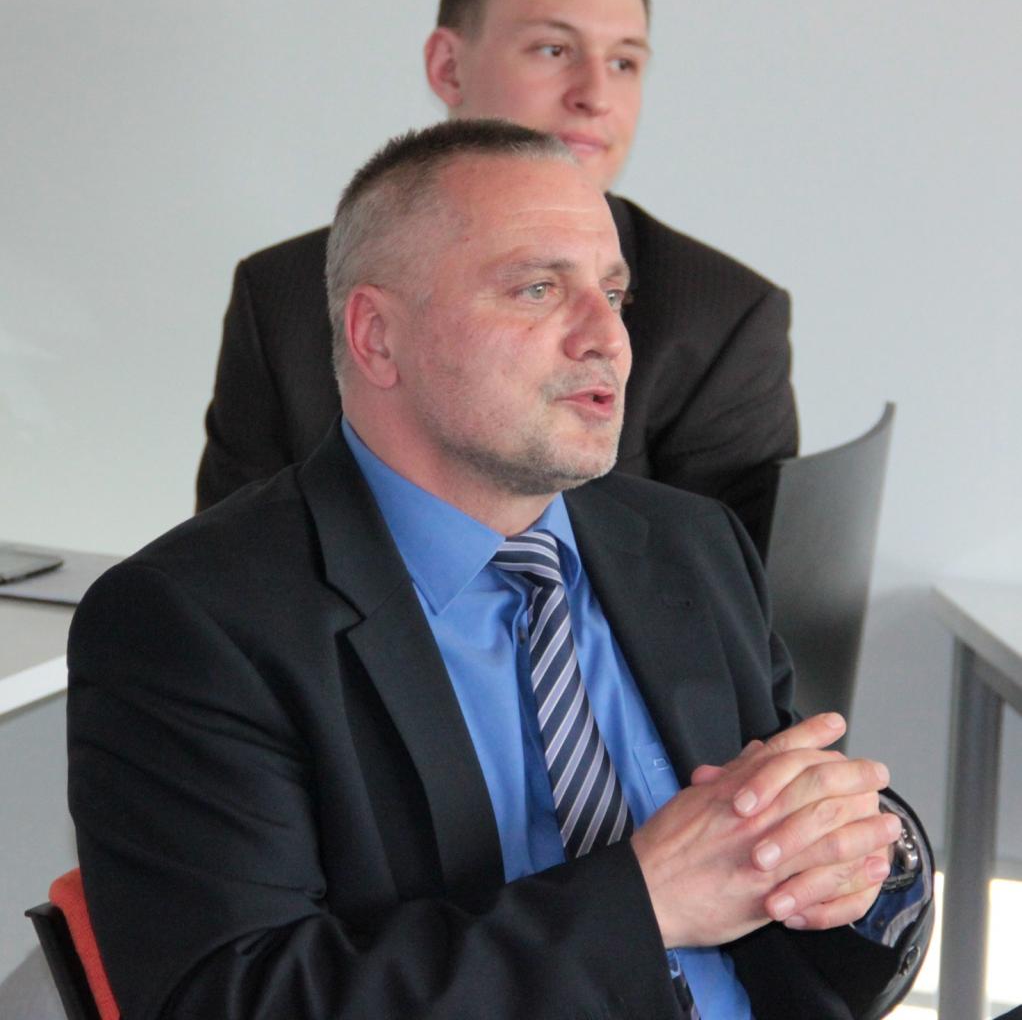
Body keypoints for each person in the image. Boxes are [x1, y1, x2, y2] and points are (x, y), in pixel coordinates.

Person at [70, 121, 931, 1020]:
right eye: (537, 288)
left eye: (613, 293)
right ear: (377, 337)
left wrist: (869, 854)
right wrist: (644, 902)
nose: (607, 338)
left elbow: (809, 854)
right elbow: (238, 999)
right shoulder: (192, 622)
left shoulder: (689, 543)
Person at [196, 0, 798, 555]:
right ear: (448, 68)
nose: (596, 94)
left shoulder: (724, 315)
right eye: (554, 50)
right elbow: (223, 573)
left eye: (625, 62)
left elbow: (728, 602)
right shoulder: (281, 293)